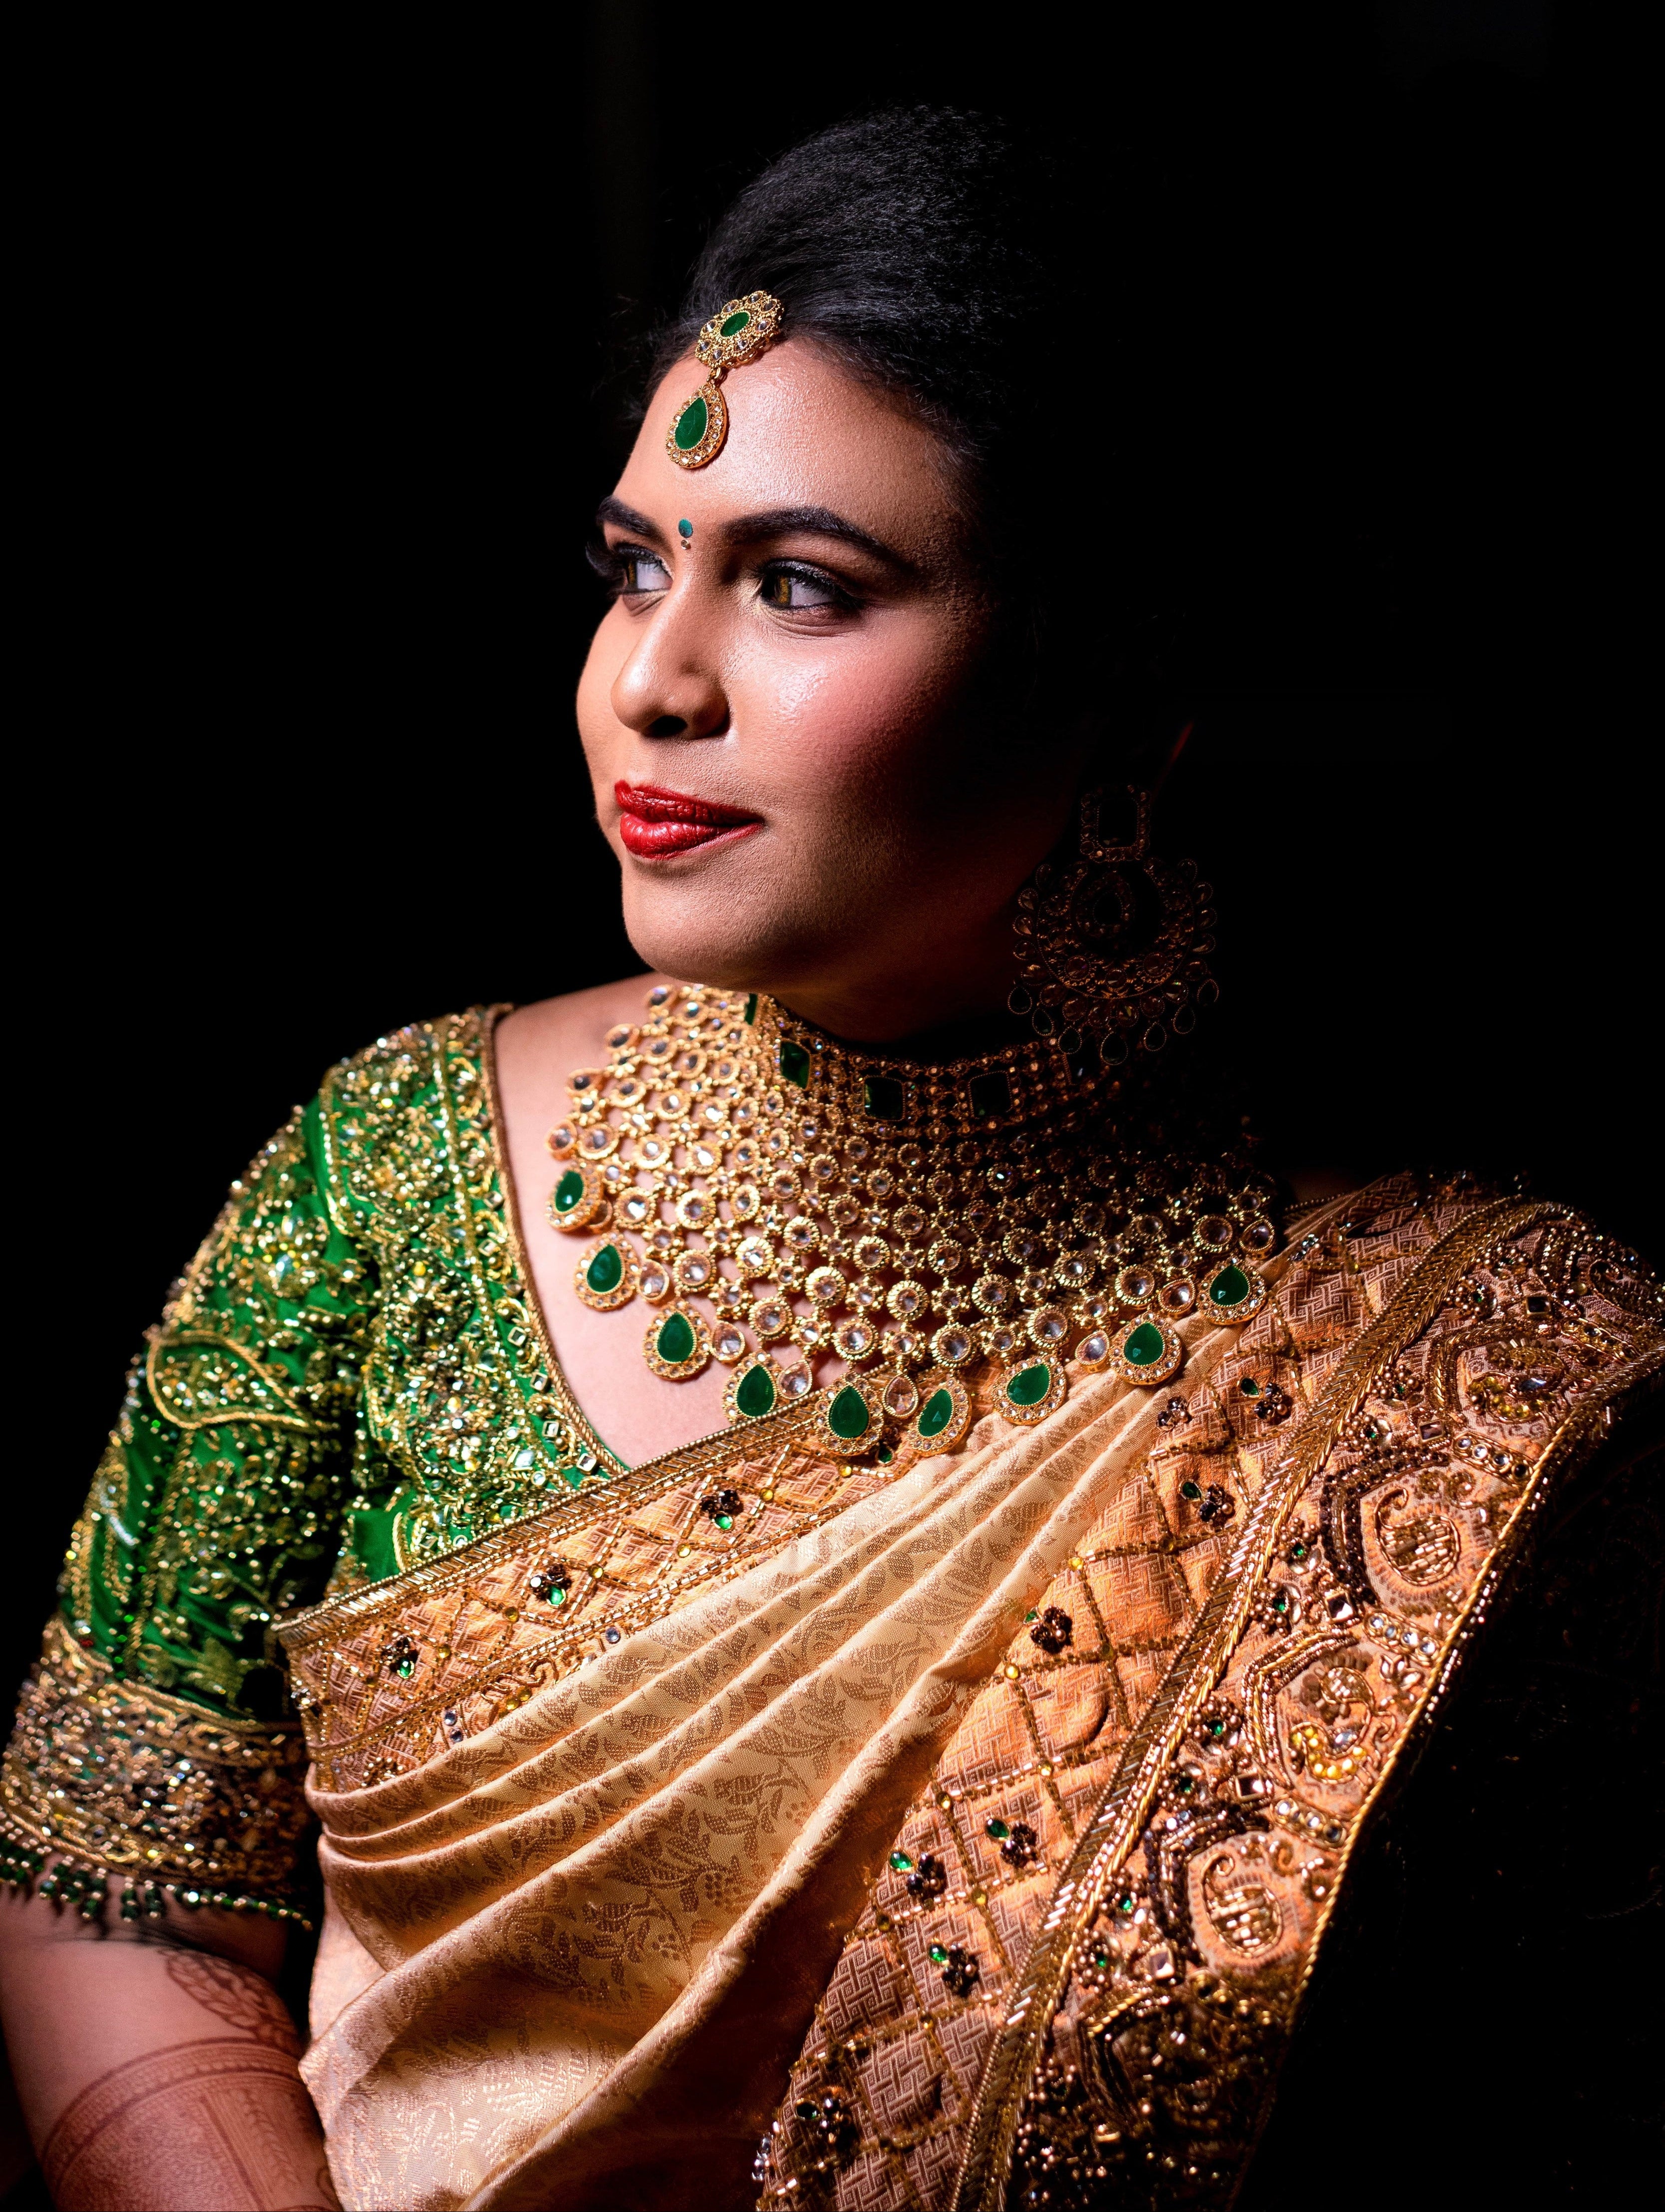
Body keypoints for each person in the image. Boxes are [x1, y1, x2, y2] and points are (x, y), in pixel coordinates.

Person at [1, 108, 1658, 2212]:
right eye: (630, 570)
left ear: (1120, 692)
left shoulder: (1490, 1379)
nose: (654, 684)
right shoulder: (390, 1176)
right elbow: (115, 1883)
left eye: (802, 586)